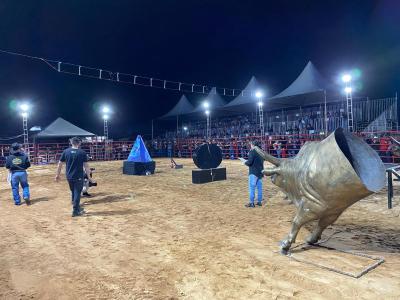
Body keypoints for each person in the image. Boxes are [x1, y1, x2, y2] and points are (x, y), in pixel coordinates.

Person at [55, 137, 92, 217]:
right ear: (79, 143)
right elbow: (86, 166)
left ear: (71, 143)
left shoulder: (66, 151)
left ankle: (76, 206)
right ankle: (75, 211)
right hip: (78, 176)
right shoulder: (82, 152)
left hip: (69, 176)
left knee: (73, 191)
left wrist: (57, 175)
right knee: (77, 193)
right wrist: (89, 177)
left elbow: (60, 164)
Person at [239, 140, 264, 207]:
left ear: (253, 145)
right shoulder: (261, 152)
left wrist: (244, 162)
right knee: (259, 188)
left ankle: (251, 203)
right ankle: (259, 202)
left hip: (253, 172)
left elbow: (249, 162)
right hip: (260, 172)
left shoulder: (252, 152)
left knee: (252, 187)